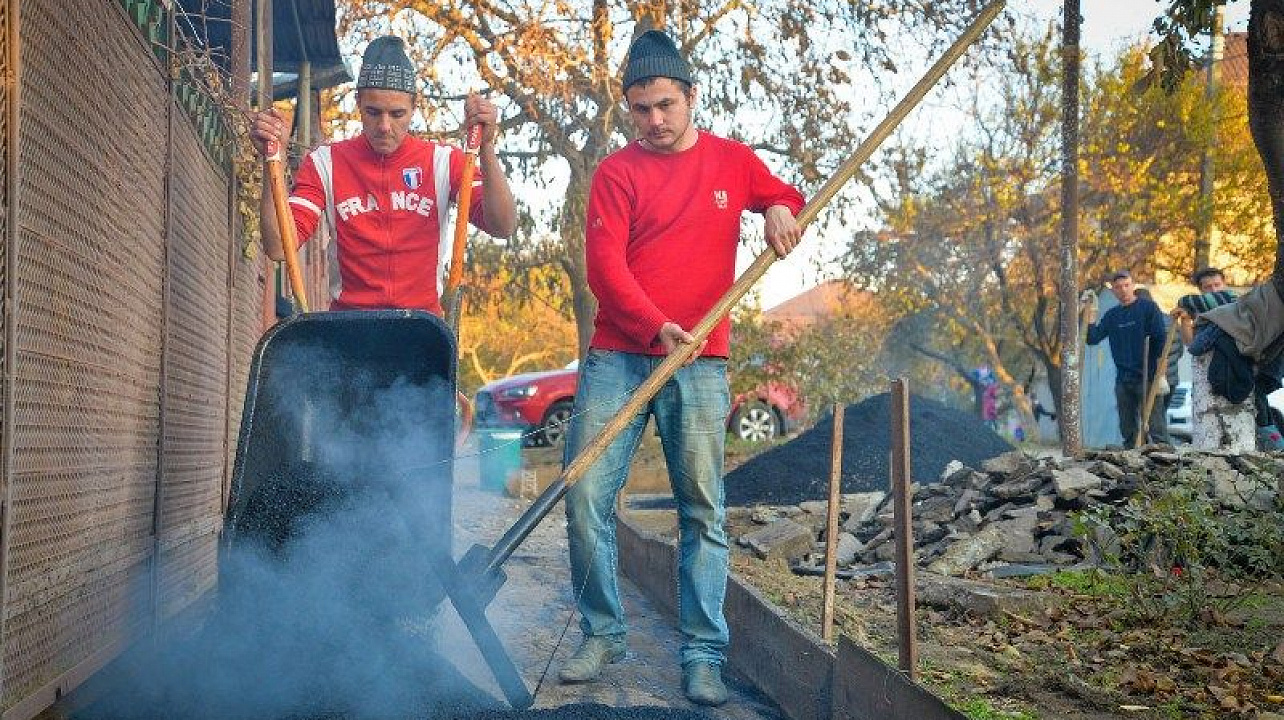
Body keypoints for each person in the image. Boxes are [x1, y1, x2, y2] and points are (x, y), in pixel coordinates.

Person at [558, 30, 804, 707]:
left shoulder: (732, 161)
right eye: (640, 110)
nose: (654, 122)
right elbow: (605, 269)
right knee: (584, 495)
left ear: (692, 96)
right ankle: (604, 633)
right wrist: (652, 326)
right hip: (621, 352)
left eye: (665, 105)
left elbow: (783, 194)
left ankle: (703, 654)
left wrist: (782, 207)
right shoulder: (616, 173)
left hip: (701, 359)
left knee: (702, 508)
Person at [249, 36, 517, 314]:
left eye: (397, 113)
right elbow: (280, 248)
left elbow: (503, 225)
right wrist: (274, 162)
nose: (385, 126)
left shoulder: (443, 162)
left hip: (421, 328)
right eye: (373, 112)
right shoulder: (325, 162)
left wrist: (486, 148)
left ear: (414, 107)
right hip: (351, 328)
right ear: (358, 104)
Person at [1173, 267, 1284, 449]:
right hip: (1209, 375)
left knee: (1260, 414)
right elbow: (1190, 344)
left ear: (1224, 284)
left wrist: (1186, 305)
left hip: (1242, 366)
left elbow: (1189, 301)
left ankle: (1277, 448)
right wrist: (1185, 320)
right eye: (1208, 287)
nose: (1214, 290)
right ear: (1201, 289)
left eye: (1217, 284)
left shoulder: (1234, 301)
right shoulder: (1201, 313)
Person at [1083, 270, 1170, 448]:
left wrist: (1160, 371)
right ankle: (1132, 459)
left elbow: (1160, 339)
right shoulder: (1112, 315)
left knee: (1156, 425)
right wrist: (1090, 315)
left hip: (1148, 374)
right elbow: (1092, 338)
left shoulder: (1148, 309)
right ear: (1113, 290)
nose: (1123, 290)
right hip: (1123, 379)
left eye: (1126, 285)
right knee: (1127, 426)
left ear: (1133, 285)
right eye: (1118, 287)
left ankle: (1165, 458)